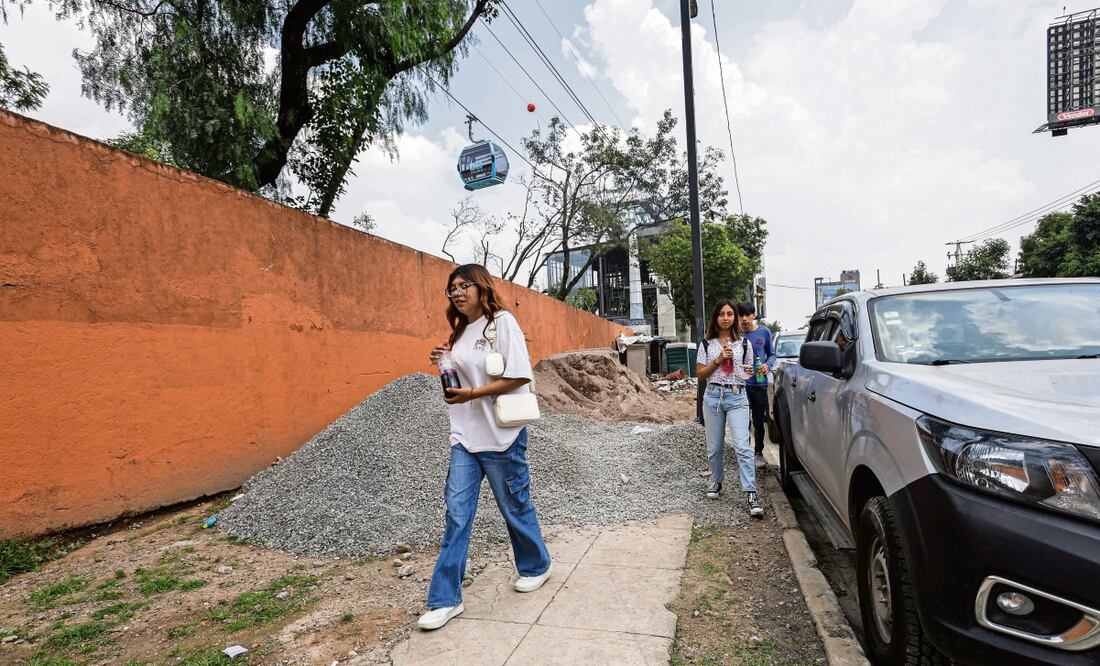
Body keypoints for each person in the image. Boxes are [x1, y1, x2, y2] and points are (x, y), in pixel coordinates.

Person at [419, 264, 553, 631]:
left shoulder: (502, 323)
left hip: (501, 436)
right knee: (457, 515)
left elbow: (519, 374)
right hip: (464, 436)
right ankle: (445, 599)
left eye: (464, 285)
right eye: (452, 288)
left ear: (481, 287)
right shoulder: (460, 332)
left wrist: (472, 393)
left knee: (515, 506)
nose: (457, 293)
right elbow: (461, 379)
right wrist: (443, 360)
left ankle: (536, 565)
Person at [696, 300, 764, 517]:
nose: (725, 318)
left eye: (729, 314)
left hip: (737, 396)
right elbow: (700, 375)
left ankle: (751, 493)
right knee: (715, 446)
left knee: (742, 446)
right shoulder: (706, 344)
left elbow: (748, 373)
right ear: (716, 317)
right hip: (713, 397)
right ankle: (716, 481)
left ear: (734, 318)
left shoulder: (744, 344)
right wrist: (718, 360)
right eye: (721, 314)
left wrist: (750, 372)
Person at [737, 301, 776, 467]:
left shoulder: (764, 332)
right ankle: (744, 452)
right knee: (742, 421)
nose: (744, 319)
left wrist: (768, 365)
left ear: (754, 315)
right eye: (741, 315)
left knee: (758, 421)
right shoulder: (735, 334)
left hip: (759, 384)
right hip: (740, 385)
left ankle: (758, 453)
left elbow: (772, 354)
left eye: (748, 315)